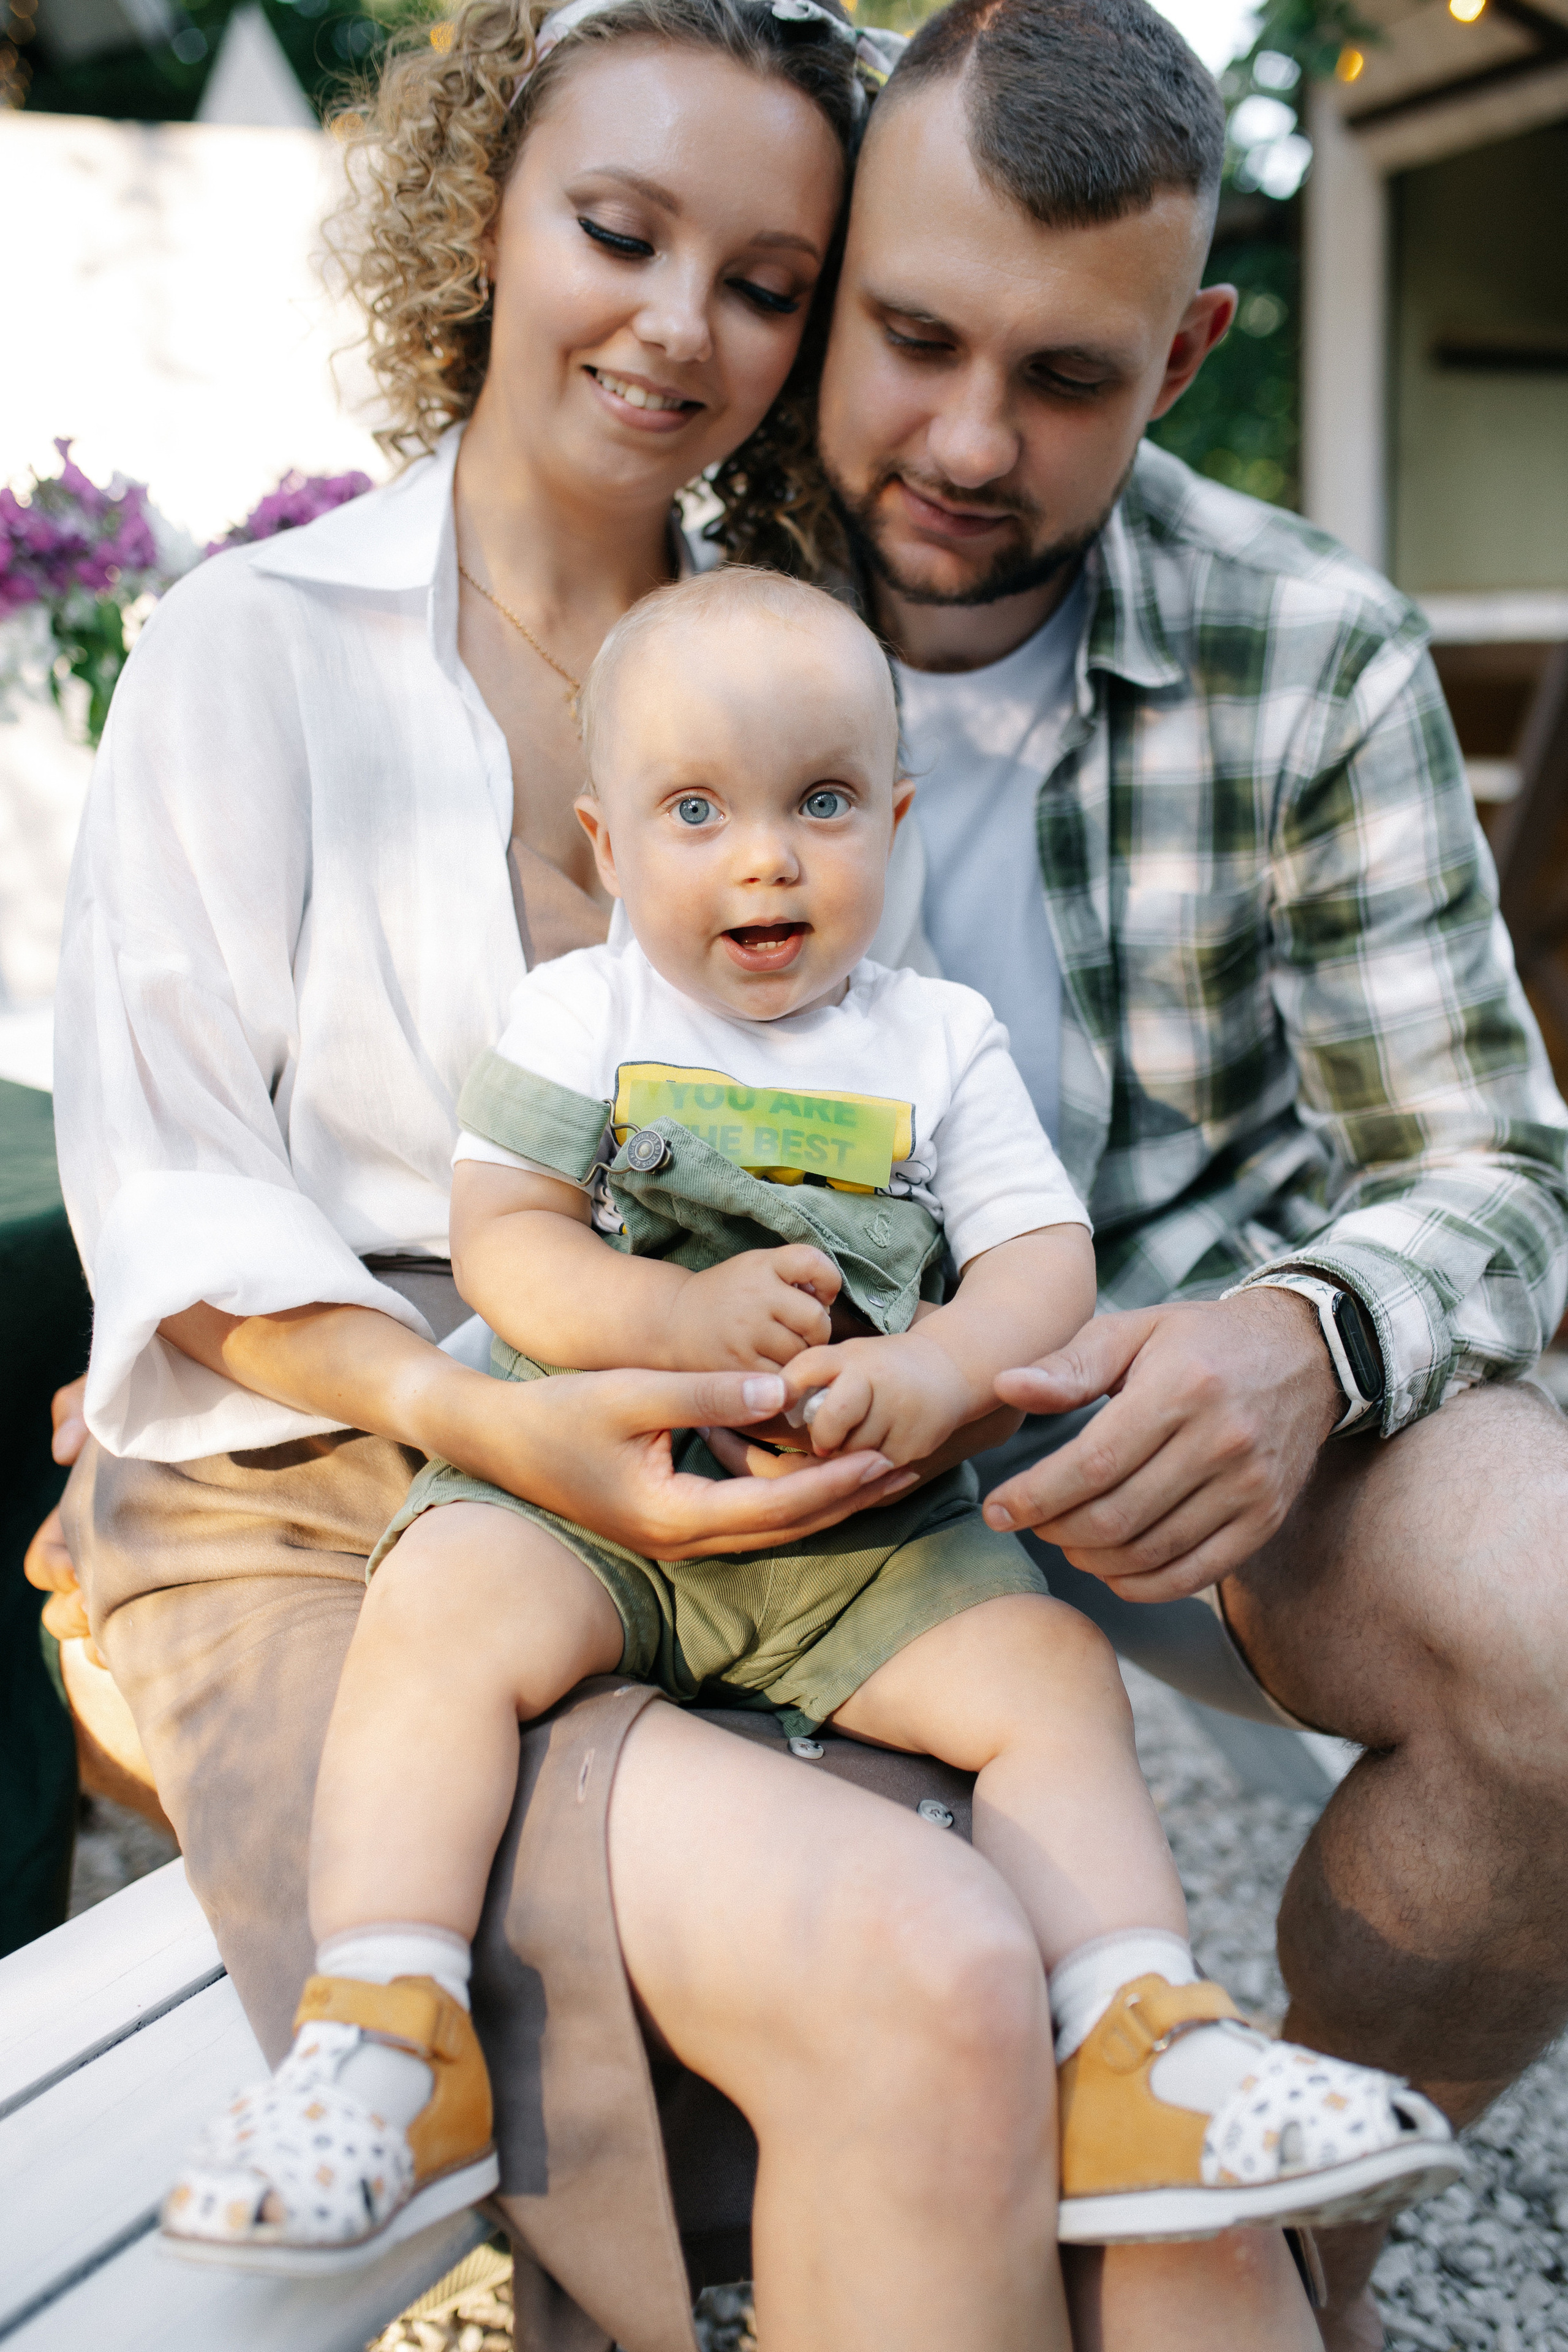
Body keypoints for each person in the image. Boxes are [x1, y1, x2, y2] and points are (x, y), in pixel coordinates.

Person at [31, 0, 1332, 2345]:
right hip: (350, 1477)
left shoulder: (801, 676)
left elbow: (936, 1128)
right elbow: (171, 1191)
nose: (680, 328)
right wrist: (492, 1410)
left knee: (1070, 2046)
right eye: (617, 232)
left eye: (764, 279)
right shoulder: (262, 646)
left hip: (752, 1469)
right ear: (488, 221)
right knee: (929, 1971)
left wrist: (916, 1376)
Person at [160, 567, 1458, 2271]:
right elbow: (511, 1238)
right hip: (595, 1499)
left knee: (1047, 1677)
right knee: (439, 1607)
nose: (765, 856)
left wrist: (939, 1374)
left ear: (896, 825)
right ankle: (384, 2034)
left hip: (860, 1534)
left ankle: (1145, 2038)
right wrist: (675, 1315)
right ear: (609, 850)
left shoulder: (937, 1042)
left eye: (822, 803)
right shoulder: (588, 1014)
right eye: (697, 810)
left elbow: (1038, 1259)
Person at [794, 0, 1568, 2342]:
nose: (965, 439)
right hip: (754, 1420)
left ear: (1192, 343)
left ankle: (1277, 2245)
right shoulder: (644, 588)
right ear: (828, 270)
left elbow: (1498, 1164)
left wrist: (1308, 1339)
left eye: (1068, 377)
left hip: (1158, 1428)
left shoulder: (1308, 644)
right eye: (913, 336)